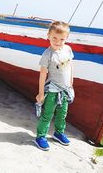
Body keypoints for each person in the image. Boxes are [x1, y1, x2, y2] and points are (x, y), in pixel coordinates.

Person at [34, 21, 74, 151]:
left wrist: (71, 83)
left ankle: (58, 133)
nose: (58, 41)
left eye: (62, 39)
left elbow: (70, 66)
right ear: (48, 36)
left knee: (62, 114)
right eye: (54, 38)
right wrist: (41, 93)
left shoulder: (67, 49)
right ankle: (40, 136)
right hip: (52, 90)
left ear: (66, 38)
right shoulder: (48, 54)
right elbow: (42, 74)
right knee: (48, 114)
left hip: (65, 89)